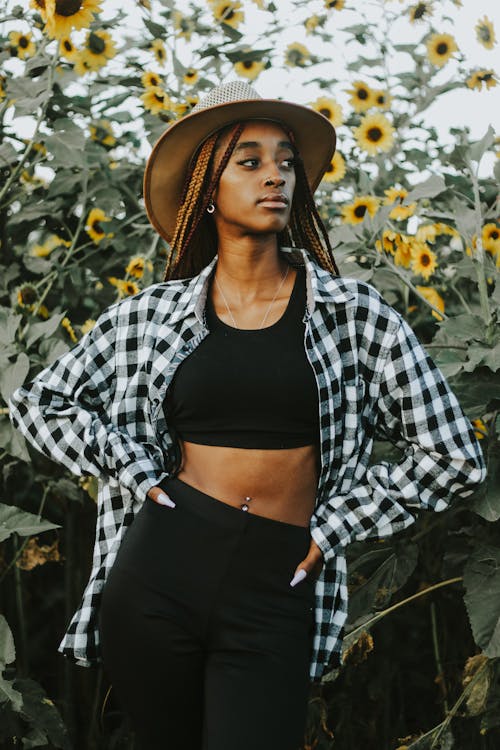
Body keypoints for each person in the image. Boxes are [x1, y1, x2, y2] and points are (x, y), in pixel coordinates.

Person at [8, 81, 486, 750]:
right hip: (160, 564)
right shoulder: (145, 317)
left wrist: (339, 525)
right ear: (208, 187)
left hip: (280, 573)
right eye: (250, 161)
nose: (275, 178)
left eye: (286, 162)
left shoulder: (358, 317)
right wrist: (136, 469)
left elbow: (452, 455)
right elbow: (38, 399)